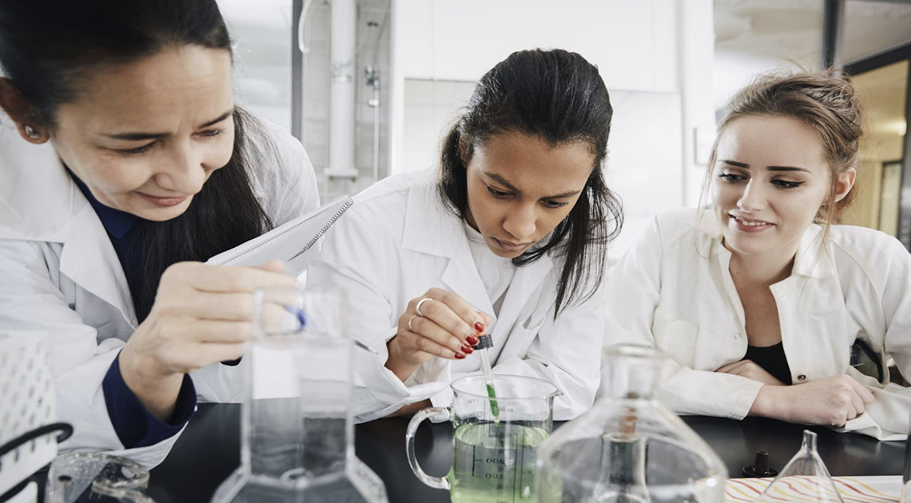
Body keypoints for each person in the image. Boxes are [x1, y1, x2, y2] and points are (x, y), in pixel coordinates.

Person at [0, 0, 319, 465]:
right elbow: (43, 422)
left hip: (227, 450)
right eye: (138, 146)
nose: (189, 179)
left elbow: (272, 364)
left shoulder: (274, 165)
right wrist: (151, 364)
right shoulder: (10, 208)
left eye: (212, 130)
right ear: (25, 111)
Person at [307, 48, 622, 422]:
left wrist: (430, 398)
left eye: (554, 202)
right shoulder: (367, 225)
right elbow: (328, 397)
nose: (520, 228)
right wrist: (402, 354)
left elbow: (571, 387)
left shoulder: (586, 233)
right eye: (500, 192)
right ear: (464, 148)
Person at [605, 70, 911, 440]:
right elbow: (610, 373)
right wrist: (773, 399)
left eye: (784, 182)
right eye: (732, 176)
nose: (748, 202)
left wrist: (830, 405)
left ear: (837, 186)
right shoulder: (665, 239)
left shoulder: (876, 261)